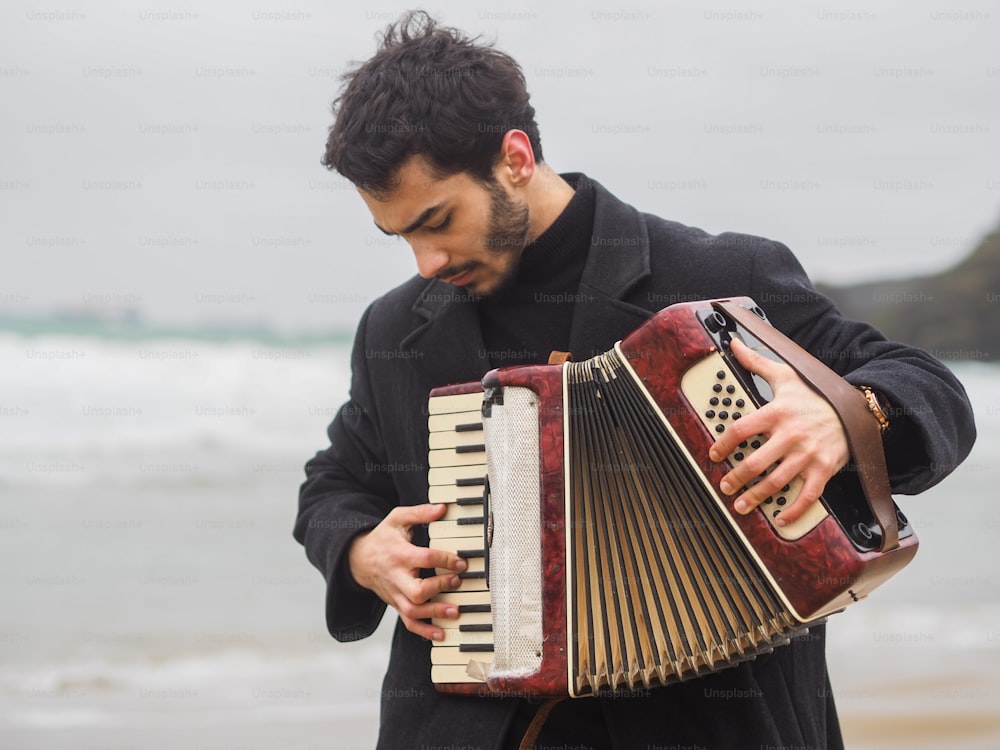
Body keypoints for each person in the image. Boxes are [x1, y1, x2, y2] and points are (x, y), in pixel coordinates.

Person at [294, 11, 976, 749]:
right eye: (401, 237)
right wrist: (365, 550)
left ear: (514, 158)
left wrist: (843, 418)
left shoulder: (721, 278)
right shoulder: (395, 330)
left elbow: (930, 386)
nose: (426, 263)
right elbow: (334, 483)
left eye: (437, 220)